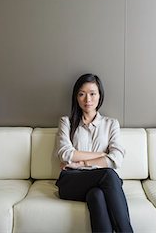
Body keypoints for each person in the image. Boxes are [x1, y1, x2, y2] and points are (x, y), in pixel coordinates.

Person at [55, 73, 133, 233]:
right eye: (82, 94)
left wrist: (82, 162)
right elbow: (65, 153)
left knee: (96, 195)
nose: (87, 99)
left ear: (100, 96)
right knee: (109, 175)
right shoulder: (67, 122)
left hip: (99, 184)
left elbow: (117, 158)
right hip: (71, 181)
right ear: (76, 97)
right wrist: (103, 155)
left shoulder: (111, 124)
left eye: (92, 94)